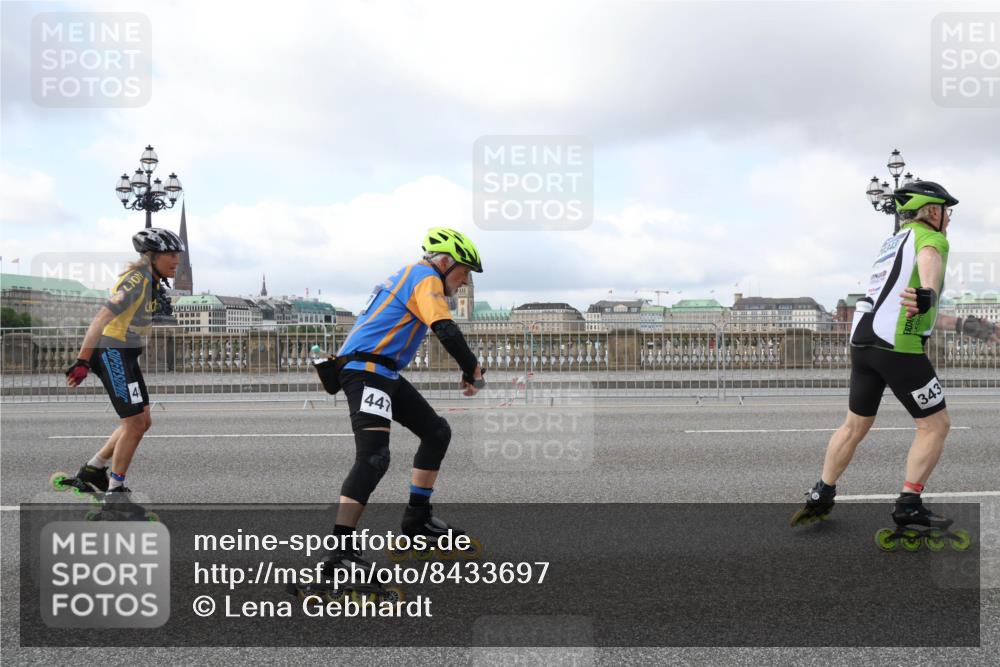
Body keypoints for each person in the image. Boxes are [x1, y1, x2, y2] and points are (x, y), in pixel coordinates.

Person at [791, 181, 999, 530]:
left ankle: (820, 494)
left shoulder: (892, 243)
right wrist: (930, 291)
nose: (949, 221)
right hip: (897, 347)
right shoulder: (931, 238)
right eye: (948, 213)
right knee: (935, 425)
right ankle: (909, 504)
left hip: (863, 345)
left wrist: (975, 327)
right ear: (934, 211)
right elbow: (928, 271)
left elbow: (909, 306)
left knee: (854, 425)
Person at [321, 227, 485, 576]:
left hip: (384, 372)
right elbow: (445, 328)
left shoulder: (412, 276)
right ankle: (338, 555)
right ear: (444, 262)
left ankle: (416, 521)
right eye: (465, 272)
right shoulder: (425, 276)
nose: (466, 282)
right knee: (374, 457)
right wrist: (472, 368)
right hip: (366, 372)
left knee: (436, 432)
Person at [57, 228, 184, 519]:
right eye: (171, 254)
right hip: (112, 352)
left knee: (142, 421)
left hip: (126, 355)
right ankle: (115, 494)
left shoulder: (152, 281)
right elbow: (102, 317)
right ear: (152, 256)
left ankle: (94, 469)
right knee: (135, 424)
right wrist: (82, 361)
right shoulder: (137, 280)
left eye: (178, 255)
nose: (176, 260)